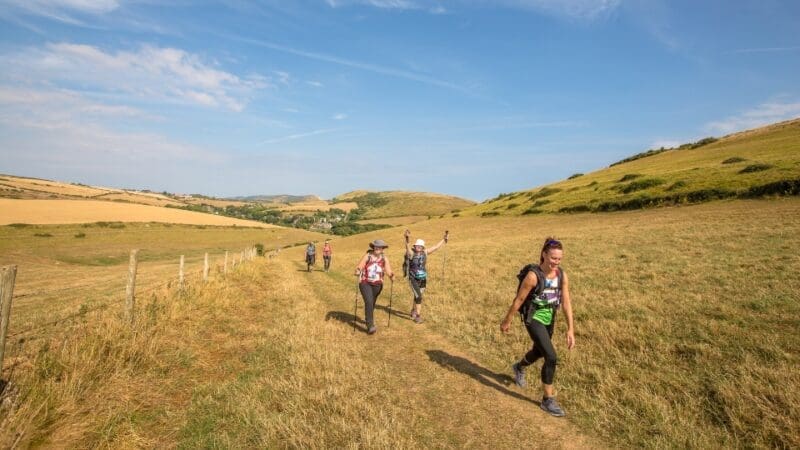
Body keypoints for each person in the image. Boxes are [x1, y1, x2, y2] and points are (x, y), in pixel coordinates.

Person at [500, 237, 575, 417]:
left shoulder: (561, 275)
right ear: (544, 255)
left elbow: (566, 302)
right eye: (553, 258)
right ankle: (547, 400)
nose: (556, 262)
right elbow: (519, 300)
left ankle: (519, 367)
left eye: (559, 259)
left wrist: (570, 329)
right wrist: (507, 320)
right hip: (533, 318)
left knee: (539, 351)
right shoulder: (533, 276)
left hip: (550, 317)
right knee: (551, 356)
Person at [403, 229, 448, 324]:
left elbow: (435, 247)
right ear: (415, 246)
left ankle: (413, 310)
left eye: (420, 246)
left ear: (423, 247)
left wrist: (443, 240)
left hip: (423, 279)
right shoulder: (411, 253)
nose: (419, 247)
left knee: (417, 296)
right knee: (419, 297)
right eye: (417, 246)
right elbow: (407, 247)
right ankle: (418, 316)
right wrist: (407, 238)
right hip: (413, 278)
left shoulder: (425, 253)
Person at [355, 239, 394, 335]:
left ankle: (368, 318)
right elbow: (360, 266)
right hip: (365, 283)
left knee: (371, 304)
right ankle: (370, 325)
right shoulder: (367, 256)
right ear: (373, 247)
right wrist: (358, 271)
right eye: (376, 246)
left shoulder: (384, 258)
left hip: (378, 285)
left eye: (380, 247)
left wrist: (391, 276)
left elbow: (388, 270)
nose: (377, 248)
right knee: (369, 301)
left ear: (382, 249)